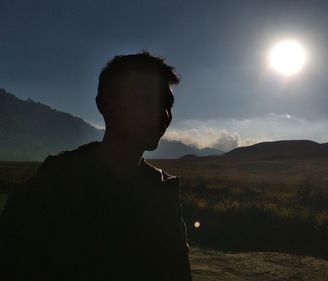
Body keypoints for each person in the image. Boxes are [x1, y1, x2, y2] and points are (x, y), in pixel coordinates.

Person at [0, 52, 192, 281]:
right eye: (146, 99)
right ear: (105, 105)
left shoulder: (163, 193)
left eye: (168, 104)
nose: (163, 114)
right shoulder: (52, 188)